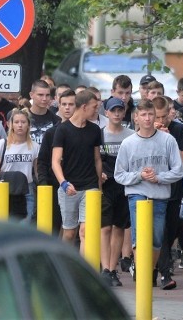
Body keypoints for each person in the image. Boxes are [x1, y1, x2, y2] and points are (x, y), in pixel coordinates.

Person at [114, 99, 183, 288]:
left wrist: (159, 177)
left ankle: (148, 269)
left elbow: (178, 170)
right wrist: (139, 175)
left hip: (160, 194)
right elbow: (119, 174)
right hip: (137, 193)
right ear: (136, 117)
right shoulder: (128, 143)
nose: (147, 118)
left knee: (156, 239)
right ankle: (143, 275)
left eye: (150, 114)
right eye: (143, 114)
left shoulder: (167, 140)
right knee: (138, 236)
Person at [51, 90, 103, 251]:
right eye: (94, 107)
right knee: (69, 233)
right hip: (69, 186)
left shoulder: (94, 129)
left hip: (90, 186)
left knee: (86, 231)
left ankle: (84, 272)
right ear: (85, 107)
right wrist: (64, 183)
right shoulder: (63, 129)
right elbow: (55, 161)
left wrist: (99, 187)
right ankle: (64, 265)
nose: (96, 110)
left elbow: (97, 159)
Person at [152, 95, 183, 290]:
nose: (160, 121)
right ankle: (164, 273)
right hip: (153, 190)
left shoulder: (179, 130)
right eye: (156, 117)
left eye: (163, 116)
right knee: (159, 232)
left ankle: (155, 267)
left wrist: (168, 141)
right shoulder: (146, 131)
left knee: (170, 230)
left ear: (170, 113)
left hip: (174, 189)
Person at [99, 97, 135, 287]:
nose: (117, 114)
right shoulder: (100, 134)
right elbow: (95, 159)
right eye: (113, 110)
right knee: (104, 227)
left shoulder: (130, 135)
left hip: (124, 185)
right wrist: (100, 174)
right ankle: (104, 268)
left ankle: (112, 269)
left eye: (120, 110)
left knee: (119, 227)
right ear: (106, 113)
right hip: (106, 185)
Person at [36, 88, 76, 234]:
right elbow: (42, 162)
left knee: (74, 231)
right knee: (52, 229)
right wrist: (44, 185)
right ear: (58, 105)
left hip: (78, 185)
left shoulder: (87, 130)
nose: (67, 108)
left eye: (71, 104)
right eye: (64, 104)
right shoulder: (51, 132)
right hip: (53, 186)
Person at [0, 108, 39, 220]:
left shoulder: (35, 146)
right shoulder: (3, 143)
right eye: (16, 122)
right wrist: (8, 177)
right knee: (4, 222)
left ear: (28, 125)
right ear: (11, 125)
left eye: (23, 122)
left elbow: (37, 171)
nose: (20, 125)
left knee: (26, 222)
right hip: (5, 187)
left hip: (27, 188)